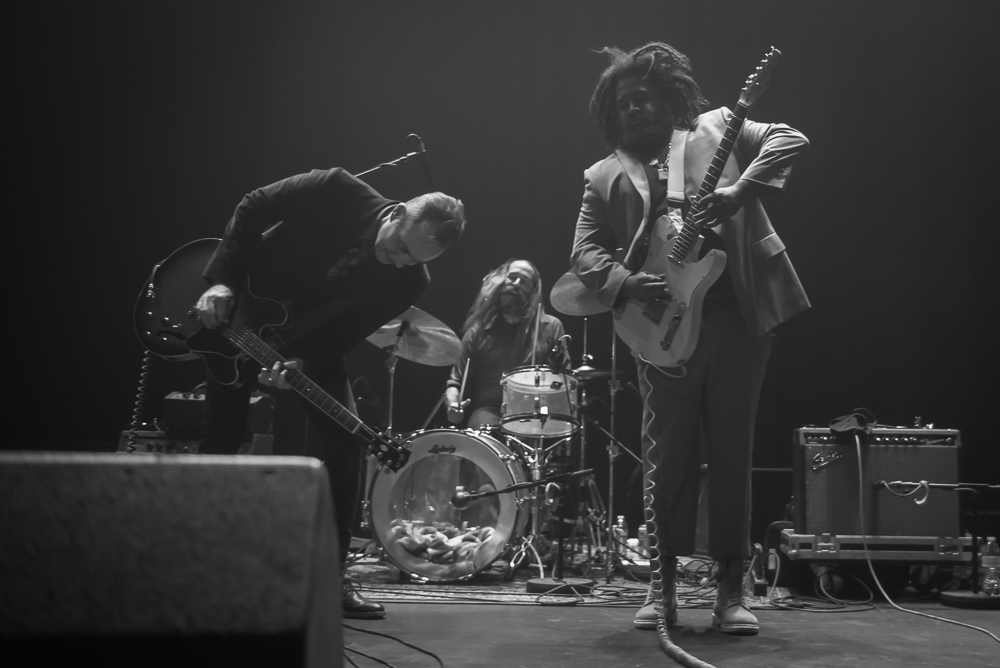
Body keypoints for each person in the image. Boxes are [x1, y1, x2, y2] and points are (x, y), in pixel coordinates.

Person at [571, 43, 809, 638]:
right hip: (664, 330)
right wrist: (625, 283)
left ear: (669, 96)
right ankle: (664, 585)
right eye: (624, 104)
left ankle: (733, 587)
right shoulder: (602, 176)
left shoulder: (720, 126)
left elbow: (789, 139)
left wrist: (741, 190)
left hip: (736, 316)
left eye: (644, 97)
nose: (635, 108)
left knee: (732, 451)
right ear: (611, 114)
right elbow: (584, 252)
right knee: (666, 458)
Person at [194, 167, 466, 620]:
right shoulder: (338, 189)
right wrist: (222, 280)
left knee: (344, 444)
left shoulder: (411, 280)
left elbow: (348, 330)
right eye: (399, 246)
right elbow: (254, 203)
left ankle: (333, 577)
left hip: (305, 340)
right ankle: (198, 560)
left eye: (410, 260)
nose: (397, 261)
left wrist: (300, 362)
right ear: (396, 213)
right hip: (240, 309)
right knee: (222, 432)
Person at [445, 259, 571, 430]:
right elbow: (455, 383)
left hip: (537, 414)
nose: (516, 284)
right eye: (512, 277)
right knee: (483, 429)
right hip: (489, 413)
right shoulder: (478, 331)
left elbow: (566, 380)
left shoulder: (550, 327)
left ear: (533, 292)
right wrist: (453, 404)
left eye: (524, 281)